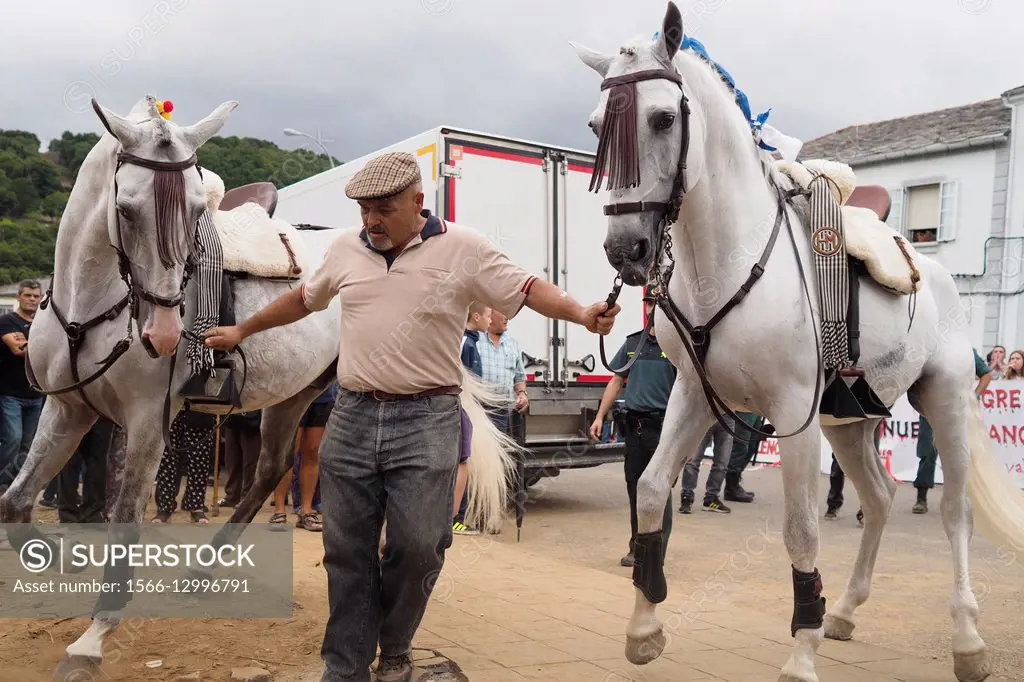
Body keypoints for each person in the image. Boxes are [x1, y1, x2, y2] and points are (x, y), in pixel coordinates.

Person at [202, 151, 619, 682]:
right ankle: (346, 666)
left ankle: (395, 646)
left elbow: (529, 289)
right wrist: (243, 331)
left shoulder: (463, 247)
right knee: (346, 550)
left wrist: (582, 313)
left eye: (383, 209)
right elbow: (303, 301)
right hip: (352, 418)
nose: (370, 221)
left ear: (418, 202)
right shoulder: (345, 250)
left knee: (421, 545)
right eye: (363, 210)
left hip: (427, 420)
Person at [589, 286, 674, 567]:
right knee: (636, 489)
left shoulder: (675, 347)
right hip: (635, 427)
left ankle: (656, 553)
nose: (651, 309)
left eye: (657, 305)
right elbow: (616, 381)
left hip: (663, 429)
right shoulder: (632, 344)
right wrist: (600, 416)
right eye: (649, 304)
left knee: (659, 490)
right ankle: (637, 547)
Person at [913, 347, 992, 514]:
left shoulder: (965, 350)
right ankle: (921, 497)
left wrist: (975, 396)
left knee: (961, 454)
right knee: (927, 452)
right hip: (930, 410)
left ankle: (960, 499)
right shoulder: (928, 349)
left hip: (957, 411)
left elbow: (986, 375)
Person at [270, 382, 336, 532]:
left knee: (313, 452)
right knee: (288, 453)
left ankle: (306, 510)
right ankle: (279, 510)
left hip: (323, 395)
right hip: (293, 394)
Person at [0, 280, 45, 493]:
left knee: (28, 447)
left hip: (36, 394)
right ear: (19, 297)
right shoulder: (7, 320)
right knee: (12, 440)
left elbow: (35, 347)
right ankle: (2, 483)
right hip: (10, 394)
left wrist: (29, 342)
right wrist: (40, 343)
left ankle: (15, 488)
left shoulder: (43, 323)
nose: (32, 299)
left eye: (36, 296)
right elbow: (18, 349)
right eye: (28, 295)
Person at [452, 302, 491, 536]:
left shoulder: (470, 341)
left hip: (466, 408)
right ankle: (456, 518)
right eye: (487, 315)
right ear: (475, 316)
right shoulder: (466, 343)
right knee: (463, 463)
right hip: (464, 408)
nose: (490, 319)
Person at [151, 410, 216, 524]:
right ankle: (164, 507)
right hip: (170, 406)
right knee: (167, 457)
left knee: (199, 458)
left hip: (199, 404)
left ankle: (196, 506)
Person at [57, 418, 116, 524]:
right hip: (73, 411)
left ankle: (93, 513)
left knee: (98, 462)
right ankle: (68, 514)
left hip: (102, 413)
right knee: (69, 460)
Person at [679, 419, 735, 514]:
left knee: (722, 463)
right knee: (692, 460)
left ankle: (711, 499)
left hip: (727, 417)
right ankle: (687, 497)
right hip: (704, 415)